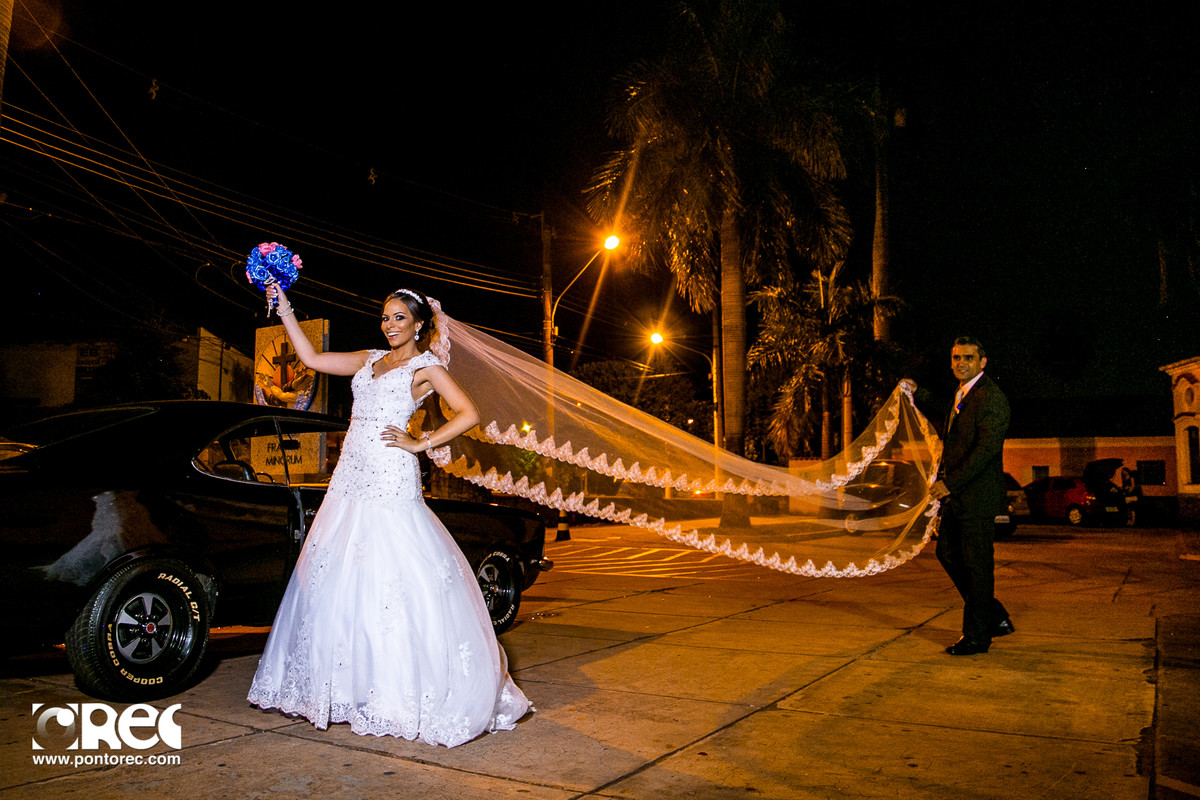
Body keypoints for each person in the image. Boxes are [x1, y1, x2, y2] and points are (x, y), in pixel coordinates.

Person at [247, 284, 532, 746]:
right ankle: (345, 686)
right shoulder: (369, 359)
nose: (389, 325)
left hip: (390, 473)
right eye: (385, 317)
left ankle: (399, 691)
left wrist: (421, 444)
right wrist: (285, 309)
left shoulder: (426, 367)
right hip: (349, 476)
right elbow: (314, 360)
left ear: (419, 324)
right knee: (336, 575)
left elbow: (468, 412)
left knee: (394, 573)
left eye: (399, 318)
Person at [928, 336, 1013, 655]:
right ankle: (994, 616)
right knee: (946, 553)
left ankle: (977, 637)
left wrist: (950, 484)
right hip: (958, 498)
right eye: (955, 358)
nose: (960, 363)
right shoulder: (962, 394)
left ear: (983, 362)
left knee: (977, 566)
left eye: (967, 357)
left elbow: (986, 450)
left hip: (977, 496)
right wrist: (915, 392)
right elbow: (947, 420)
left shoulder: (991, 397)